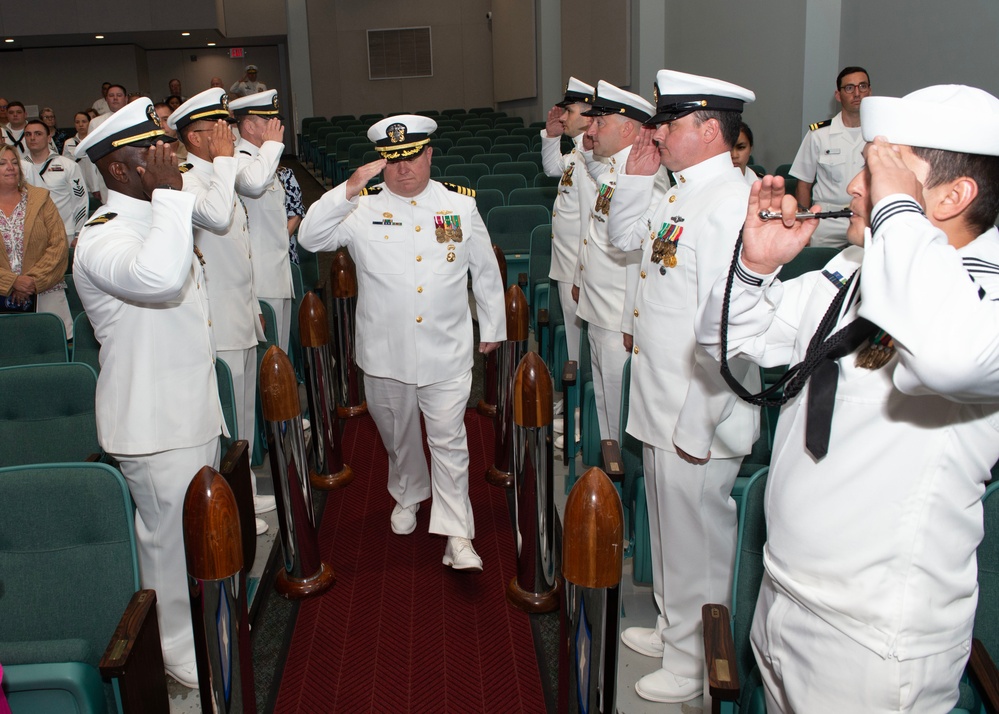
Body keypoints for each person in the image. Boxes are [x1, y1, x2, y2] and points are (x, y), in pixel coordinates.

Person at [695, 84, 999, 713]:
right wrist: (755, 268)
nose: (857, 187)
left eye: (882, 171)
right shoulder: (853, 272)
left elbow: (944, 356)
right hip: (786, 594)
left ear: (953, 196)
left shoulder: (979, 303)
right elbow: (726, 342)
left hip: (871, 642)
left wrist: (893, 211)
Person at [607, 69, 760, 704]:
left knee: (700, 539)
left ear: (707, 130)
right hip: (663, 398)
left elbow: (725, 331)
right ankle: (675, 630)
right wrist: (637, 179)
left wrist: (697, 426)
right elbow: (622, 243)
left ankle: (700, 660)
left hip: (698, 411)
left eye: (668, 124)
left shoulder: (728, 202)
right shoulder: (679, 191)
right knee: (670, 529)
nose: (656, 132)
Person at [297, 115, 506, 571]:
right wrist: (348, 188)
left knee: (450, 441)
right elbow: (310, 238)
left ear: (429, 154)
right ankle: (409, 493)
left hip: (446, 349)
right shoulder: (360, 209)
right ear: (381, 163)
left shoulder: (459, 206)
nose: (403, 168)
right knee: (399, 435)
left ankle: (458, 535)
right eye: (392, 160)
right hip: (384, 353)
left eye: (411, 156)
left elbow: (484, 270)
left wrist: (492, 324)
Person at [73, 98, 225, 690]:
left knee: (191, 537)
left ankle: (195, 628)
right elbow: (161, 282)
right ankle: (174, 648)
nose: (169, 158)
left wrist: (166, 200)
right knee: (167, 544)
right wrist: (169, 195)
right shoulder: (102, 237)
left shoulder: (156, 220)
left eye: (166, 147)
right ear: (117, 171)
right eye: (150, 152)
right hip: (154, 423)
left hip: (187, 410)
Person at [169, 88, 274, 533]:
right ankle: (231, 503)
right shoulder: (187, 178)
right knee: (228, 417)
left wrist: (253, 308)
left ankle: (245, 489)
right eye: (220, 130)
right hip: (215, 322)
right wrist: (226, 161)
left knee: (245, 412)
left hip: (239, 314)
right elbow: (214, 220)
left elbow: (240, 251)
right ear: (195, 138)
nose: (229, 136)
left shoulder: (219, 173)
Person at [575, 80, 662, 444]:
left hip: (617, 322)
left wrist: (630, 323)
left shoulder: (647, 180)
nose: (591, 130)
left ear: (629, 129)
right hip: (600, 312)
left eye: (601, 123)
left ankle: (615, 494)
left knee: (618, 422)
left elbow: (638, 260)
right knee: (604, 405)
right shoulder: (613, 171)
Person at [229, 90, 293, 351]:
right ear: (248, 126)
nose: (275, 126)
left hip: (277, 274)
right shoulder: (239, 160)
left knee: (281, 356)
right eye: (267, 121)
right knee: (271, 363)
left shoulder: (263, 159)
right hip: (260, 281)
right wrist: (272, 146)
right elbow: (254, 185)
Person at [541, 77, 596, 372]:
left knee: (581, 344)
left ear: (588, 116)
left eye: (569, 111)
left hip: (578, 267)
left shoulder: (590, 159)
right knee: (578, 341)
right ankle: (576, 400)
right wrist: (551, 138)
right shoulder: (578, 153)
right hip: (569, 265)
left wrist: (578, 277)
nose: (563, 117)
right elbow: (552, 168)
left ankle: (578, 405)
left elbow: (592, 224)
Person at [789, 66, 870, 248]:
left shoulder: (880, 133)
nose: (857, 93)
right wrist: (803, 223)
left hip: (866, 217)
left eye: (862, 86)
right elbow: (804, 183)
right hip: (827, 219)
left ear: (870, 91)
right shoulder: (819, 134)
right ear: (838, 95)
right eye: (849, 88)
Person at [0, 144, 69, 326]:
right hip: (1, 295)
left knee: (51, 349)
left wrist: (31, 281)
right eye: (2, 163)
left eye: (14, 162)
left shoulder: (40, 198)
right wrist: (12, 281)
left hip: (45, 293)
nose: (10, 167)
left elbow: (59, 245)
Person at [21, 119, 88, 256]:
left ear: (48, 137)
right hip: (29, 235)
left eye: (38, 134)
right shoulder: (17, 168)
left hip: (64, 230)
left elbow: (80, 201)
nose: (32, 138)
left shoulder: (68, 165)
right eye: (28, 134)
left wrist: (78, 233)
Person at [62, 111, 102, 208]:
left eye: (84, 121)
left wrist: (96, 187)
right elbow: (65, 166)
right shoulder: (69, 143)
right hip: (76, 185)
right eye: (77, 122)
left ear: (89, 123)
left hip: (95, 186)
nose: (81, 125)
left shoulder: (95, 141)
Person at [276, 165, 305, 263]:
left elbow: (296, 215)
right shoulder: (240, 177)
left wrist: (278, 244)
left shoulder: (284, 174)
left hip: (283, 248)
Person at [731, 121, 760, 185]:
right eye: (728, 149)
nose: (734, 155)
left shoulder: (761, 185)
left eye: (741, 147)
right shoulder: (707, 184)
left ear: (750, 149)